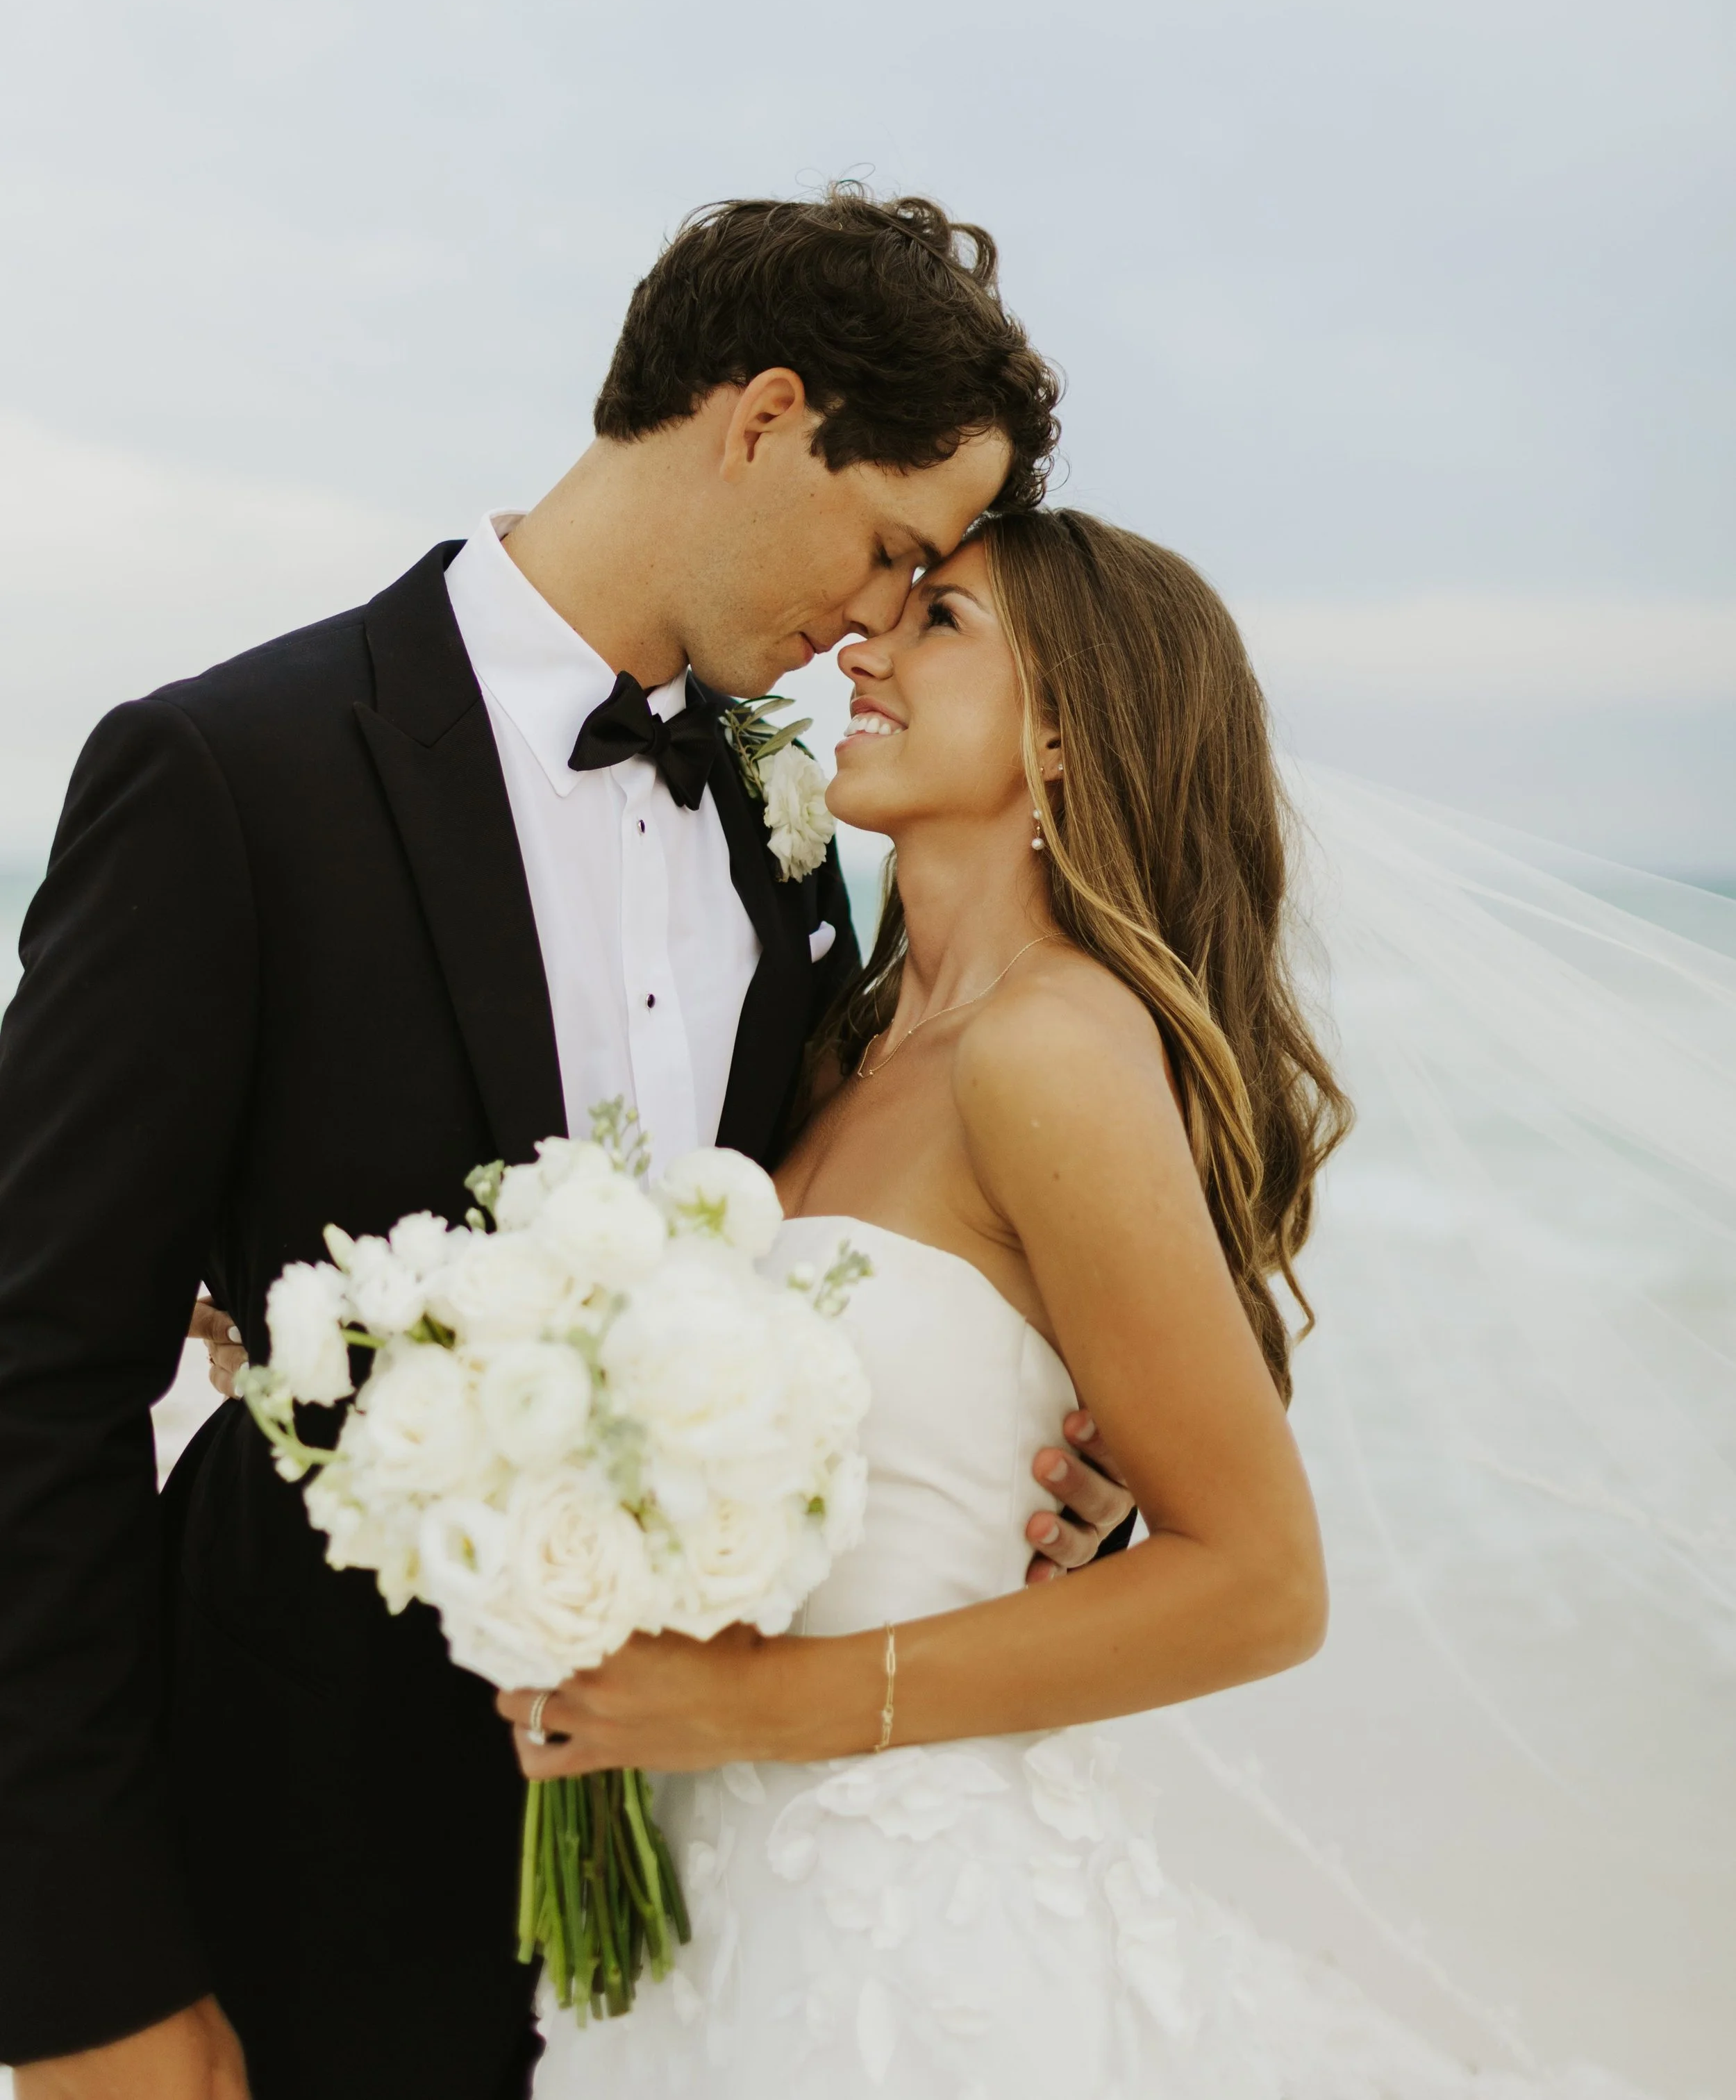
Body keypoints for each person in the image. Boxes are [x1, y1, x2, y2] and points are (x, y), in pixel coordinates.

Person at [0, 192, 1135, 2100]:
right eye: (889, 546)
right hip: (282, 1851)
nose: (873, 621)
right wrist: (76, 1970)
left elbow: (821, 1286)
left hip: (690, 1899)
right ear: (765, 413)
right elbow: (36, 1382)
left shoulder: (788, 864)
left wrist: (1031, 1460)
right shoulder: (230, 774)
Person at [514, 506, 1353, 2099]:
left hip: (911, 1941)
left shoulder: (1050, 1051)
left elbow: (1260, 1582)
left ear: (1064, 732)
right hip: (708, 1912)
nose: (863, 646)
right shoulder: (835, 1047)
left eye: (940, 621)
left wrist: (754, 1706)